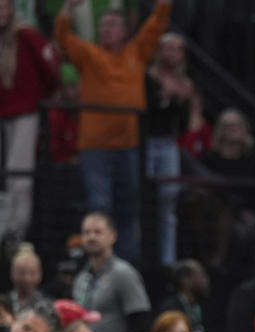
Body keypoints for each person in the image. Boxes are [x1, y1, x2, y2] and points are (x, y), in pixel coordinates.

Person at [54, 0, 172, 263]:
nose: (106, 30)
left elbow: (156, 25)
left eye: (112, 25)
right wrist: (68, 9)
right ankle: (99, 260)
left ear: (123, 31)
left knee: (129, 209)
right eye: (103, 26)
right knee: (100, 206)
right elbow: (62, 37)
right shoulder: (89, 55)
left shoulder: (136, 53)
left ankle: (127, 263)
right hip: (95, 148)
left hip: (128, 147)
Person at [0, 0, 60, 246]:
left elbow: (51, 65)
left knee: (19, 176)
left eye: (4, 7)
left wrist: (39, 95)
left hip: (24, 113)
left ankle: (16, 235)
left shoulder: (26, 35)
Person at [146, 32, 192, 266]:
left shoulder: (185, 84)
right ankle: (143, 252)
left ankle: (167, 259)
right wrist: (166, 97)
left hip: (168, 144)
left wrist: (180, 101)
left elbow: (184, 125)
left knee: (168, 201)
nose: (171, 54)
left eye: (176, 49)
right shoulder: (149, 78)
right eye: (167, 48)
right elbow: (148, 113)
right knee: (143, 197)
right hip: (146, 142)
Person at [72, 211, 151, 332]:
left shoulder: (123, 273)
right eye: (86, 232)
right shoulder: (80, 278)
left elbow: (140, 320)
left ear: (112, 236)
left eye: (98, 232)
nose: (91, 237)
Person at [156, 259, 213, 332]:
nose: (205, 280)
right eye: (201, 275)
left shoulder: (202, 305)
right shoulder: (170, 309)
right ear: (185, 280)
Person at [9, 245, 50, 314]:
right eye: (22, 273)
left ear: (40, 274)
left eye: (32, 273)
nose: (27, 279)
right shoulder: (4, 303)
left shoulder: (47, 305)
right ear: (12, 273)